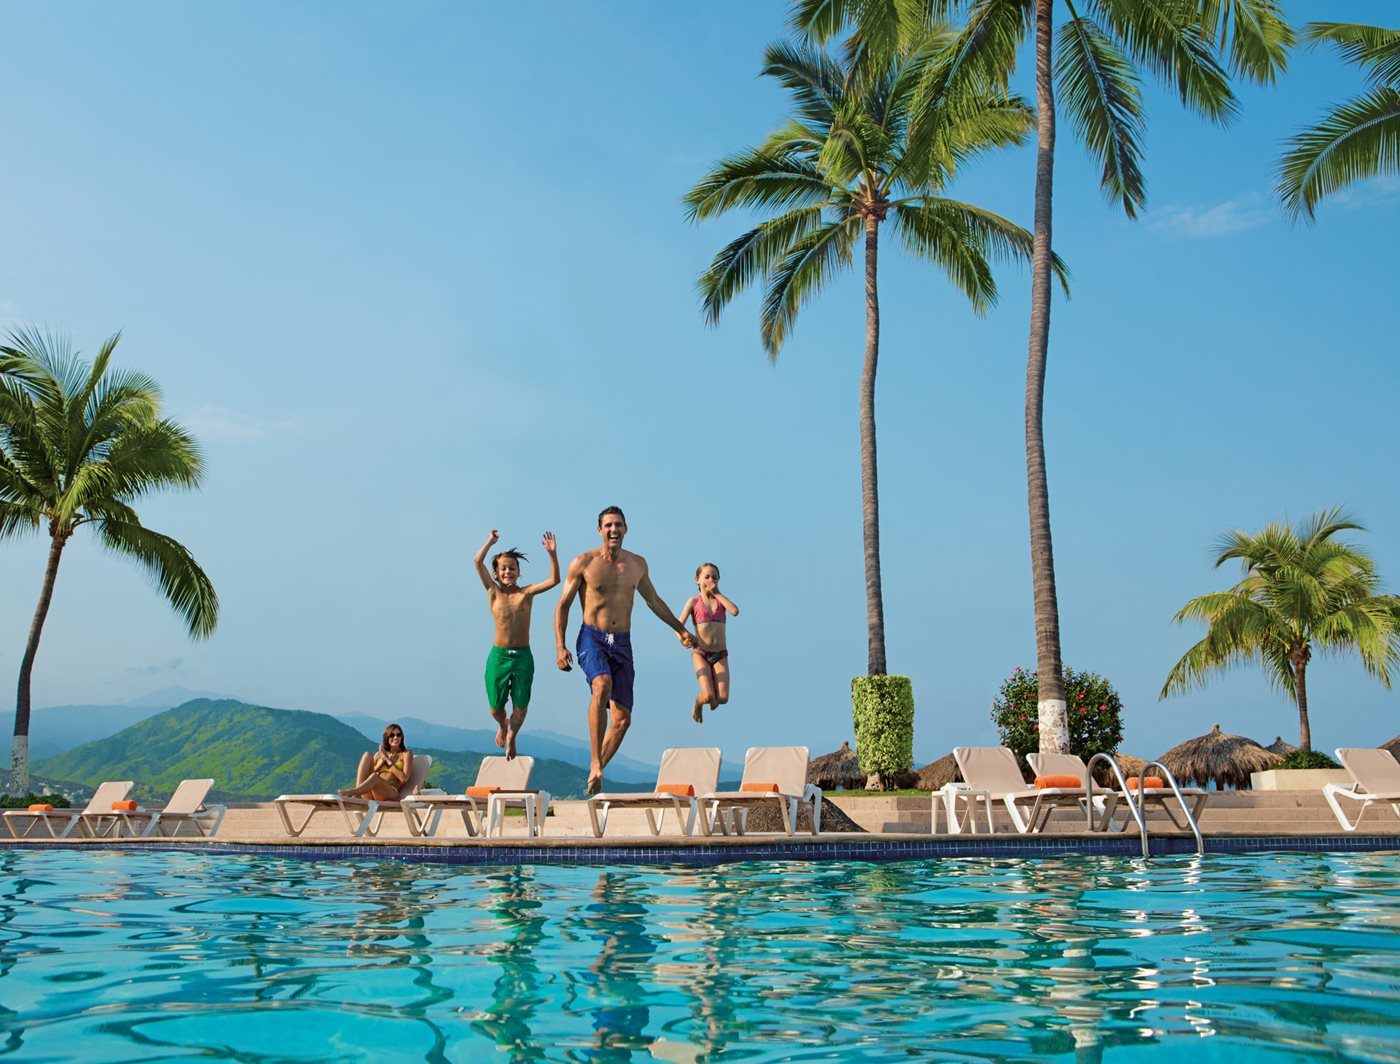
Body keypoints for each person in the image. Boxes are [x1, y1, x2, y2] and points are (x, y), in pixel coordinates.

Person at [555, 506, 697, 794]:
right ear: (599, 530)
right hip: (592, 637)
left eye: (618, 525)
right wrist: (560, 645)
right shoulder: (583, 563)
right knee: (602, 684)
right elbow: (563, 606)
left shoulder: (637, 564)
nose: (613, 530)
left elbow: (654, 601)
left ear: (626, 529)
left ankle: (594, 777)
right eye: (608, 525)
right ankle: (596, 761)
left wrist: (680, 629)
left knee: (622, 720)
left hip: (622, 641)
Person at [474, 529, 561, 759]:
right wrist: (490, 542)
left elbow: (554, 580)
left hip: (522, 656)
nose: (507, 572)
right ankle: (503, 725)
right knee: (495, 708)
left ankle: (512, 734)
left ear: (518, 571)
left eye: (512, 568)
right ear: (496, 572)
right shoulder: (493, 592)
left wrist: (552, 554)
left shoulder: (527, 593)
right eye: (503, 568)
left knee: (520, 709)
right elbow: (476, 561)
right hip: (499, 656)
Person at [677, 562, 739, 723]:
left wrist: (717, 593)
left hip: (720, 654)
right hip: (701, 653)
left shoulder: (720, 601)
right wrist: (683, 639)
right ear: (697, 580)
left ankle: (710, 698)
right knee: (708, 695)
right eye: (706, 577)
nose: (710, 580)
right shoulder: (694, 602)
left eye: (714, 577)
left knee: (723, 698)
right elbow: (677, 626)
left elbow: (735, 611)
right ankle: (698, 703)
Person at [340, 723, 413, 800]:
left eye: (398, 735)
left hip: (390, 792)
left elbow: (404, 779)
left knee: (375, 777)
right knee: (367, 755)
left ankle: (353, 792)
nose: (396, 737)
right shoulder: (380, 754)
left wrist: (388, 760)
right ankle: (358, 793)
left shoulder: (405, 753)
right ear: (387, 737)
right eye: (392, 735)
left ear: (402, 737)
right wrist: (382, 763)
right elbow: (369, 774)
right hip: (371, 792)